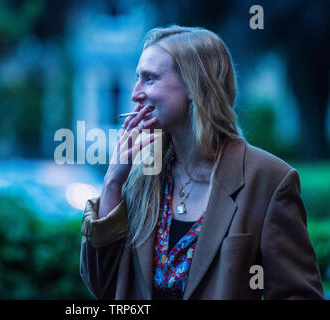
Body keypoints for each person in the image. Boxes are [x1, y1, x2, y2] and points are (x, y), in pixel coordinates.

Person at [79, 25, 324, 300]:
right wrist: (113, 181)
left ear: (196, 86)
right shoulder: (142, 171)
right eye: (138, 78)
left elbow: (298, 294)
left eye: (149, 79)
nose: (135, 93)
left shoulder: (268, 179)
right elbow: (103, 286)